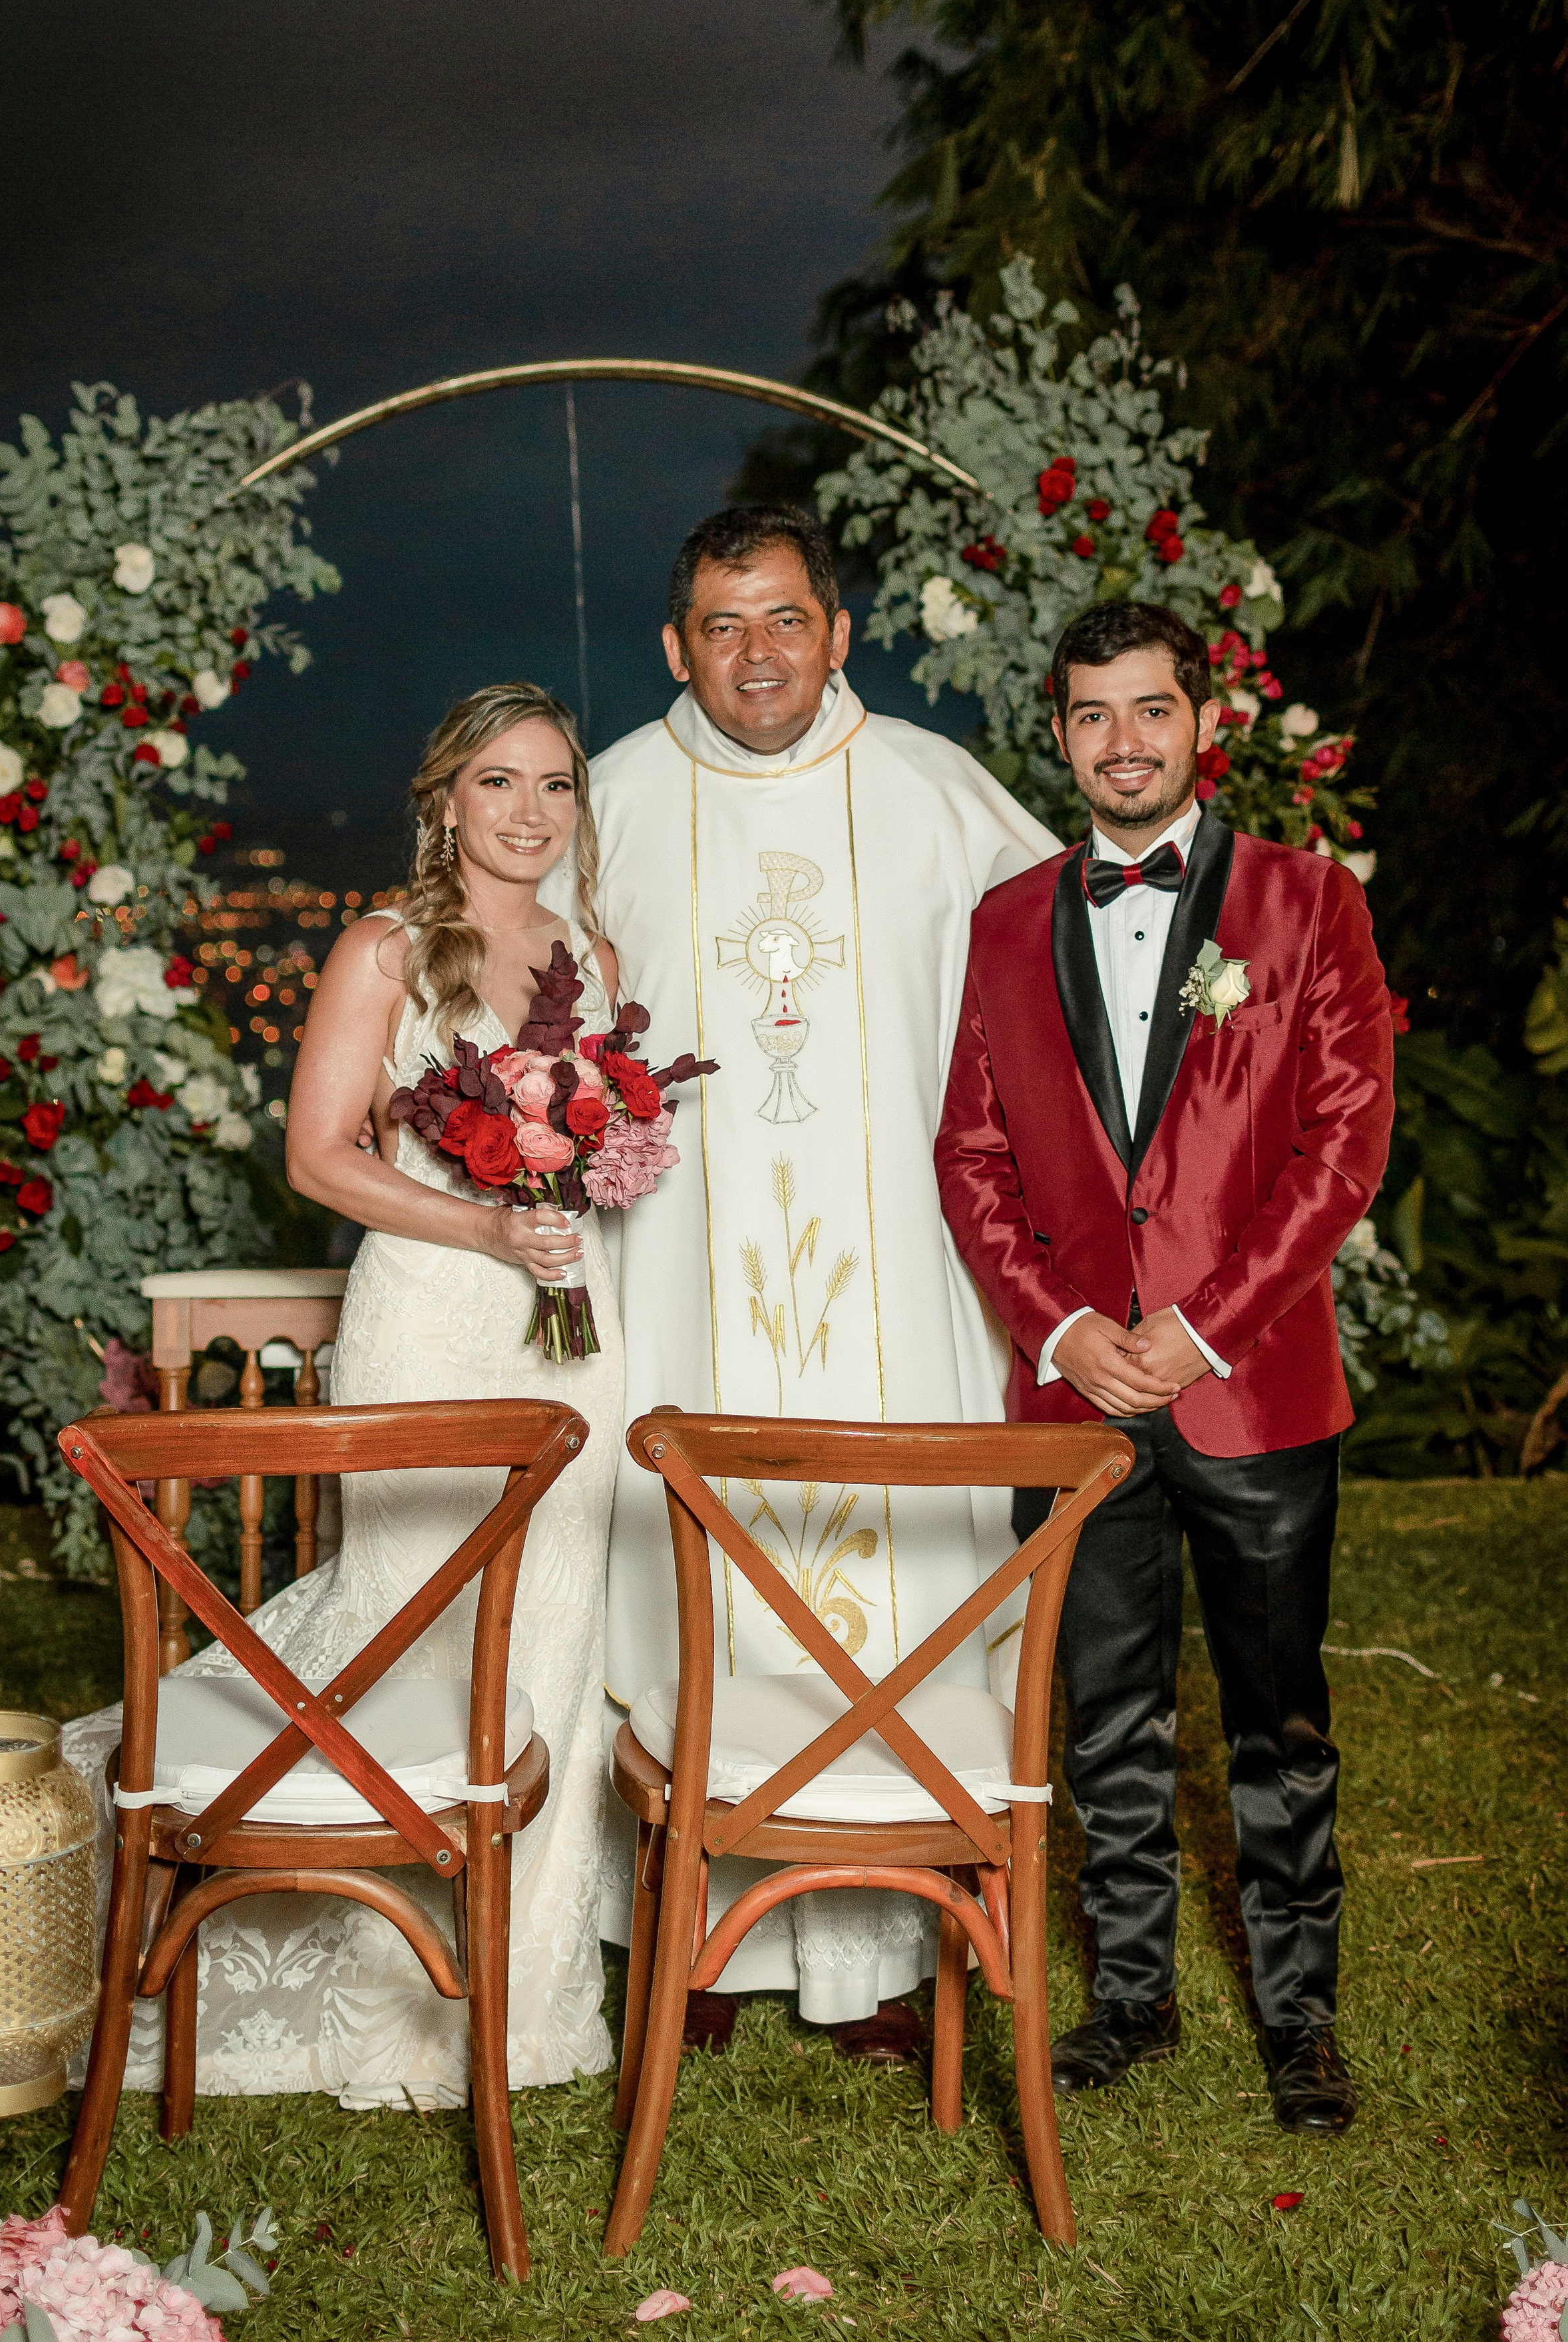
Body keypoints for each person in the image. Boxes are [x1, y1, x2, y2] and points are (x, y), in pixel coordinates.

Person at [584, 504, 1056, 2056]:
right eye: (721, 627)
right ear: (675, 648)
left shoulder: (933, 791)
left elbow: (1074, 1002)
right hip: (678, 1284)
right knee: (678, 1581)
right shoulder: (611, 802)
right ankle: (693, 1947)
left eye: (784, 618)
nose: (756, 653)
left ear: (838, 631)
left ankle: (881, 1946)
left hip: (897, 1284)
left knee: (900, 1587)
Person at [935, 600, 1394, 2134]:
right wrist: (1065, 1330)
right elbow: (973, 1155)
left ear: (1201, 721)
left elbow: (1340, 1145)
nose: (1119, 742)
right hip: (1076, 1397)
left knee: (1276, 1720)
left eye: (1147, 711)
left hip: (1248, 1383)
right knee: (1100, 1710)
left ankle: (1297, 2014)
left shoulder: (1303, 900)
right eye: (1088, 715)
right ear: (1055, 732)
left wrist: (1196, 1327)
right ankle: (1128, 1997)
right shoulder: (1003, 923)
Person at [153, 683, 624, 2110]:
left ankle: (523, 1994)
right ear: (444, 800)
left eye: (553, 784)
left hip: (571, 1328)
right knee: (418, 1616)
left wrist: (597, 1173)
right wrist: (483, 1224)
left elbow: (611, 1141)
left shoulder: (593, 958)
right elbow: (315, 1156)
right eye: (499, 782)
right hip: (429, 1320)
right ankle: (395, 1990)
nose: (529, 812)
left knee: (551, 1616)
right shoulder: (385, 947)